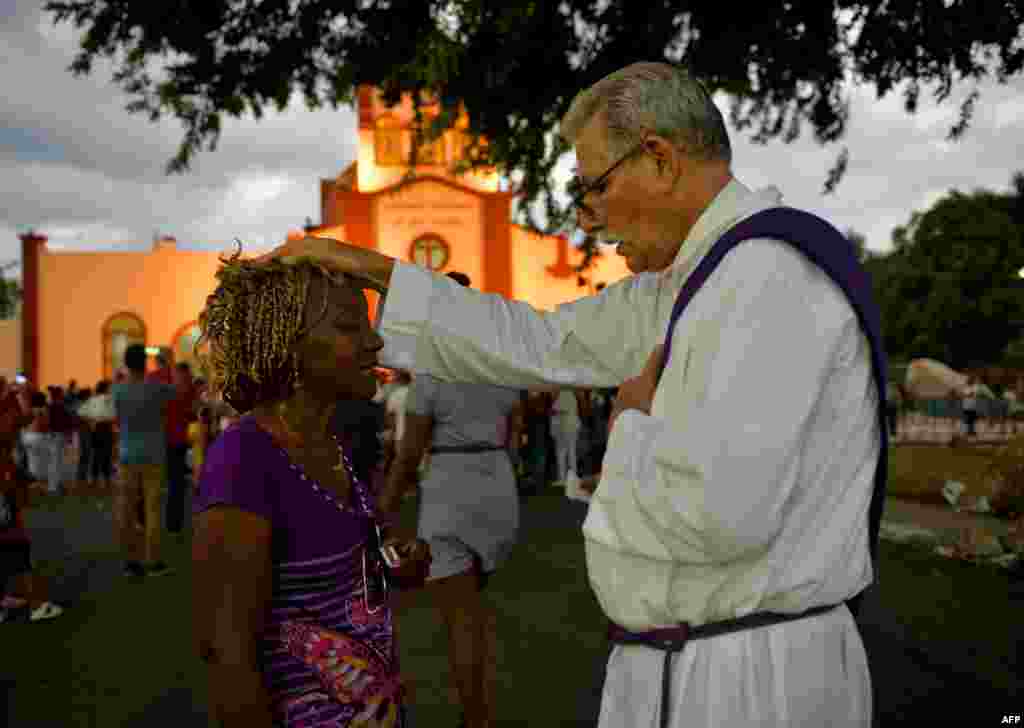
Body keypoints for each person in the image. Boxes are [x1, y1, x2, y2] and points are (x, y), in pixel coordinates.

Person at [257, 61, 888, 728]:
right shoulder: (697, 279)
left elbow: (716, 516)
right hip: (694, 663)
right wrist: (371, 268)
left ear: (659, 159)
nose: (589, 219)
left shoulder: (765, 279)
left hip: (749, 683)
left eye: (594, 188)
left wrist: (630, 425)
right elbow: (540, 341)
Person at [191, 243, 430, 727]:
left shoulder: (329, 440)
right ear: (288, 344)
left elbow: (327, 586)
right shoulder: (245, 460)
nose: (374, 342)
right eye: (348, 328)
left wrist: (392, 566)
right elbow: (228, 658)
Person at [376, 271, 520, 728]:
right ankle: (479, 711)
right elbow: (515, 429)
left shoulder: (432, 370)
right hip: (497, 480)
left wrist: (384, 507)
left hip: (451, 484)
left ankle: (475, 719)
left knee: (460, 619)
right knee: (475, 611)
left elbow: (408, 453)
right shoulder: (497, 364)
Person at [0, 377, 63, 623]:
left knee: (9, 542)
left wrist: (20, 396)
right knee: (16, 542)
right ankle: (36, 605)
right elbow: (17, 423)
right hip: (3, 488)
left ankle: (4, 598)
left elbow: (24, 419)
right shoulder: (5, 413)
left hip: (7, 483)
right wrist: (14, 396)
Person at [112, 344, 178, 578]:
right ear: (145, 362)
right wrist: (168, 363)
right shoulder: (157, 388)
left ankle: (129, 562)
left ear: (127, 363)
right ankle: (153, 561)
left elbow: (116, 418)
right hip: (153, 453)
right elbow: (177, 390)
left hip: (127, 453)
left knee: (126, 509)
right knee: (152, 509)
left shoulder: (118, 390)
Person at [164, 362, 197, 537]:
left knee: (175, 484)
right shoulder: (181, 392)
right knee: (174, 484)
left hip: (174, 442)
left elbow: (193, 413)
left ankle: (172, 524)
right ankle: (172, 525)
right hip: (173, 442)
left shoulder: (172, 392)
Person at [79, 381, 116, 492]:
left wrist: (92, 421)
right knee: (107, 455)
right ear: (106, 388)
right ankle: (107, 480)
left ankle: (95, 480)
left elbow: (81, 413)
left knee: (96, 454)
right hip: (107, 427)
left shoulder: (92, 400)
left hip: (96, 428)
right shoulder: (109, 399)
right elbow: (114, 415)